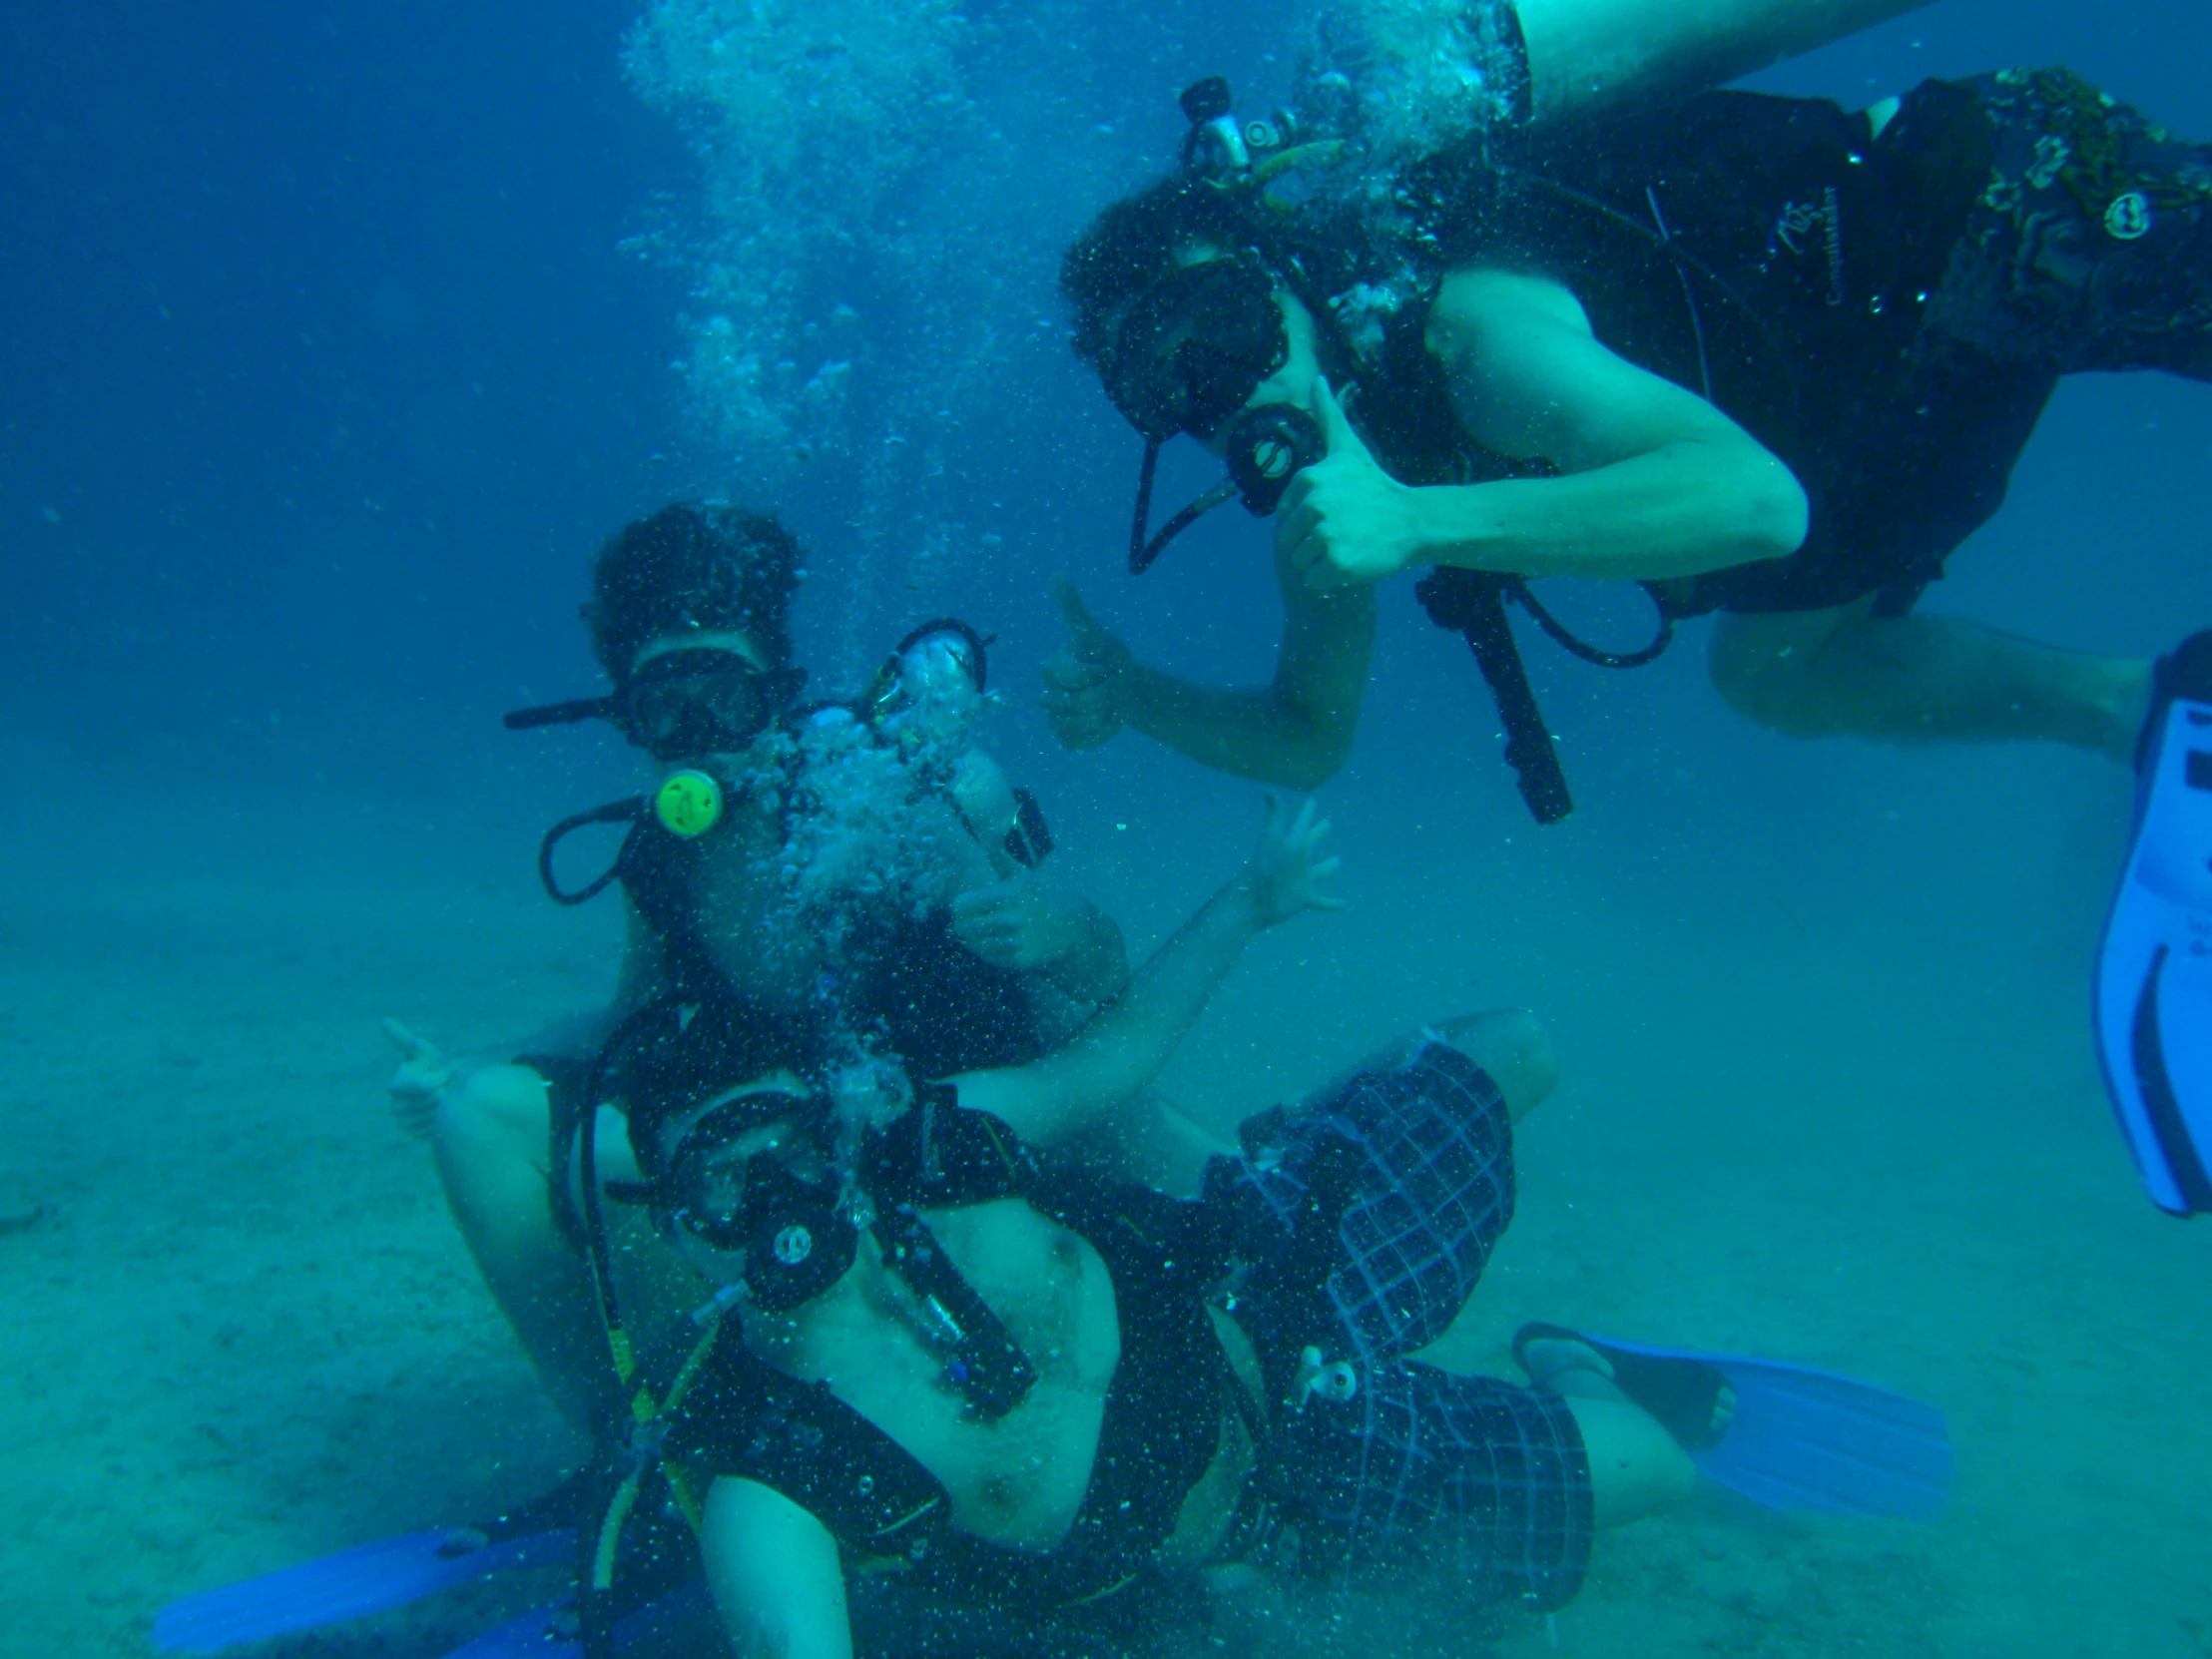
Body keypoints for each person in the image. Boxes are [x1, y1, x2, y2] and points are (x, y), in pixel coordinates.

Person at [1042, 67, 2209, 814]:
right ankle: (2152, 710)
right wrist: (1136, 694)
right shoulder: (1340, 484)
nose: (1225, 389)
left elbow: (1754, 505)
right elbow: (1306, 740)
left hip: (1994, 206)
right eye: (1171, 388)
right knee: (1779, 673)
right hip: (1882, 394)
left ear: (1280, 277)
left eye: (1219, 327)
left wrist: (1419, 520)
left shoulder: (1462, 330)